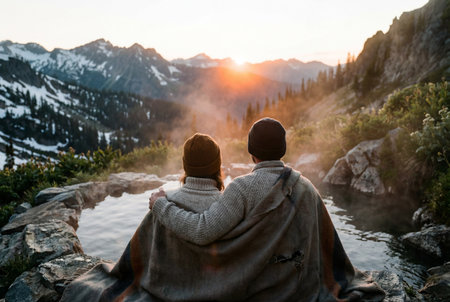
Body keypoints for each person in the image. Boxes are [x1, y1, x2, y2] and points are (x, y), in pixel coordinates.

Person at [149, 117, 386, 301]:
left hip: (257, 290)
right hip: (300, 288)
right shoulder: (306, 187)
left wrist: (161, 204)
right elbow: (327, 242)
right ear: (282, 149)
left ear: (252, 153)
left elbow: (202, 231)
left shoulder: (242, 188)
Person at [60, 133, 228, 301]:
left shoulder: (163, 203)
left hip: (166, 289)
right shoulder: (227, 207)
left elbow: (136, 256)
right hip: (217, 290)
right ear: (217, 165)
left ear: (185, 165)